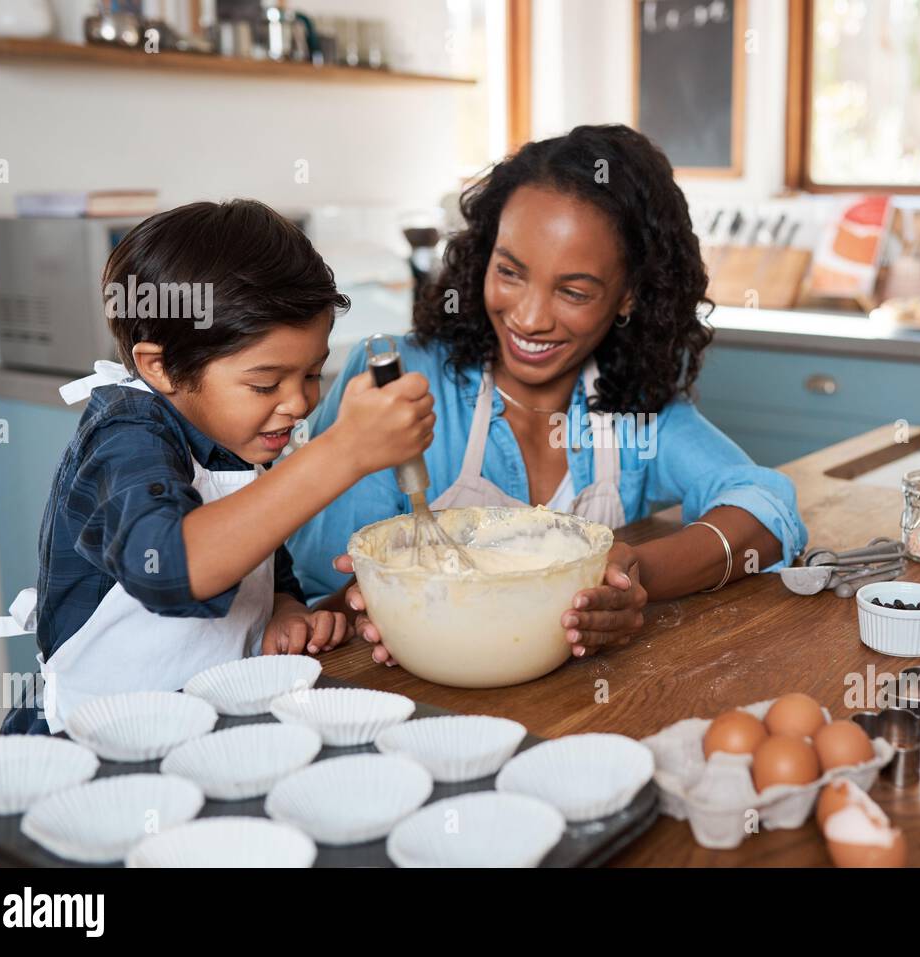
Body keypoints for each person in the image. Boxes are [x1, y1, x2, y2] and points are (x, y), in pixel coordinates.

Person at [290, 125, 807, 665]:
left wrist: (636, 577)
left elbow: (767, 507)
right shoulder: (397, 382)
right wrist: (374, 603)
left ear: (629, 295)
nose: (530, 318)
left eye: (573, 291)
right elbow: (318, 598)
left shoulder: (632, 409)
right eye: (510, 272)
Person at [0, 200, 435, 733]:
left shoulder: (237, 435)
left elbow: (265, 557)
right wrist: (342, 452)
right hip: (92, 740)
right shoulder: (125, 437)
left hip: (205, 727)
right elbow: (174, 565)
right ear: (161, 366)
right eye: (266, 383)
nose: (299, 402)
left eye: (311, 374)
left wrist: (286, 610)